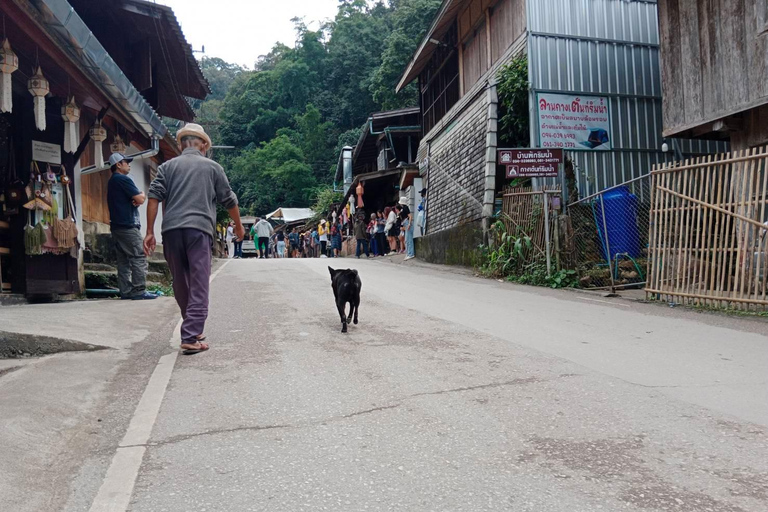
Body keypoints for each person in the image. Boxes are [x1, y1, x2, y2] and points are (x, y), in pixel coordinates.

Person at [144, 123, 243, 354]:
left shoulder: (167, 167)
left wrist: (149, 231)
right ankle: (189, 336)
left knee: (181, 281)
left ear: (180, 144)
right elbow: (229, 200)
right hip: (198, 231)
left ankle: (193, 328)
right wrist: (238, 226)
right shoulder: (213, 167)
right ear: (205, 145)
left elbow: (153, 197)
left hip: (170, 231)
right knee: (199, 283)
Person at [107, 152, 156, 301]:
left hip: (116, 226)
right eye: (126, 162)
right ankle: (139, 290)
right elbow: (140, 199)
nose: (129, 164)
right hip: (128, 225)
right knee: (138, 256)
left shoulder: (112, 181)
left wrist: (134, 198)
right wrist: (141, 193)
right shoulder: (123, 179)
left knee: (123, 260)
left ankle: (126, 290)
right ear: (118, 165)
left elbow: (134, 200)